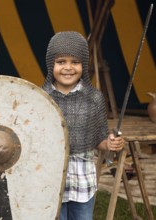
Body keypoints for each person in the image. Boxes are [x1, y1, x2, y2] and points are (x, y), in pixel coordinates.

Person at [42, 31, 125, 219]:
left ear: (84, 65)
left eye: (75, 62)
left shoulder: (94, 98)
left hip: (82, 179)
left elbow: (99, 140)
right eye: (61, 61)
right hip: (51, 177)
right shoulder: (41, 98)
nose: (68, 68)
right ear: (50, 64)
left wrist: (109, 144)